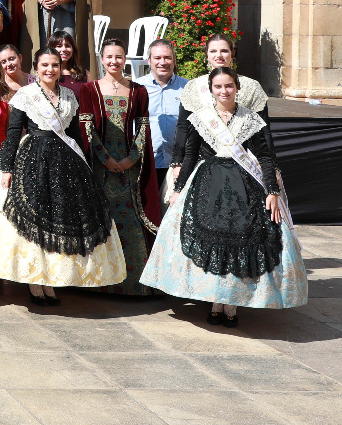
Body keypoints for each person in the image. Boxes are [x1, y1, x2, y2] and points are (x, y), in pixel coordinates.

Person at [141, 66, 307, 325]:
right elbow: (188, 156)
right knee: (210, 239)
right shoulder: (200, 118)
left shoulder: (252, 119)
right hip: (207, 184)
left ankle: (230, 305)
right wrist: (177, 189)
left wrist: (272, 192)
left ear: (237, 88)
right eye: (218, 86)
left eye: (228, 86)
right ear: (211, 90)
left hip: (244, 186)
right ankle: (215, 302)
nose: (224, 91)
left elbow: (264, 156)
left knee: (241, 239)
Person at [0, 46, 126, 305]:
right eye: (44, 65)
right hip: (33, 160)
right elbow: (13, 134)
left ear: (60, 68)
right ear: (36, 68)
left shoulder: (70, 96)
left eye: (54, 65)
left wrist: (83, 165)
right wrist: (6, 168)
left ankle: (51, 280)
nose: (50, 70)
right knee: (36, 219)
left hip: (65, 163)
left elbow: (73, 134)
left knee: (61, 219)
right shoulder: (25, 95)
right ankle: (35, 282)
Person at [77, 39, 161, 296]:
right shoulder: (89, 90)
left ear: (125, 59)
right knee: (101, 220)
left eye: (119, 57)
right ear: (101, 59)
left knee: (129, 221)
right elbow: (87, 128)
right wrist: (106, 159)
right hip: (98, 168)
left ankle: (132, 285)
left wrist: (130, 159)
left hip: (128, 168)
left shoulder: (138, 90)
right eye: (109, 57)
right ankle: (98, 283)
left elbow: (143, 128)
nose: (114, 61)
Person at [144, 39, 187, 175]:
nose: (162, 62)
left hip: (179, 164)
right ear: (149, 60)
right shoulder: (137, 88)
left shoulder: (188, 88)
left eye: (167, 58)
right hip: (147, 163)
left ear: (174, 60)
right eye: (157, 58)